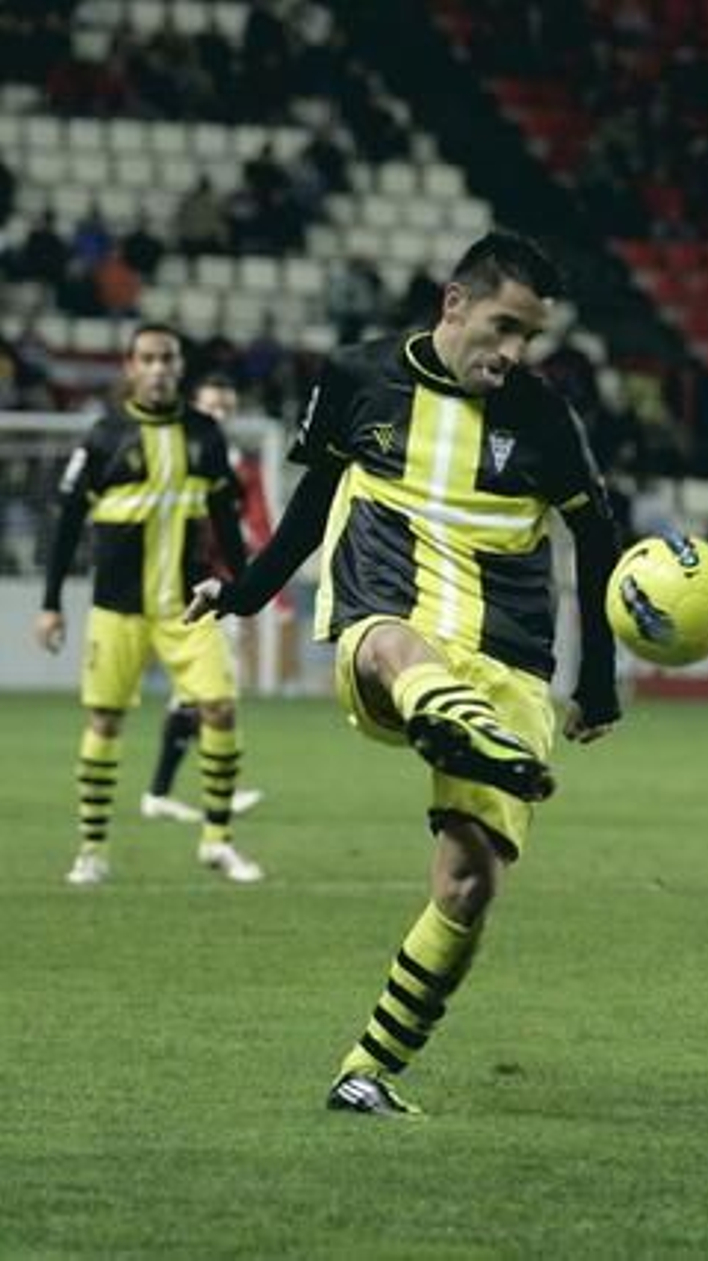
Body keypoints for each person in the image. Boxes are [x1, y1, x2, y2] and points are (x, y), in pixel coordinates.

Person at [185, 230, 622, 1117]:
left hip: (509, 659)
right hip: (391, 620)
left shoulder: (544, 417)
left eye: (530, 337)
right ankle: (451, 716)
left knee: (469, 883)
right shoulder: (357, 377)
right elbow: (312, 507)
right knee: (388, 642)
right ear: (454, 303)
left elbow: (597, 538)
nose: (514, 352)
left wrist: (599, 682)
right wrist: (244, 592)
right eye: (503, 327)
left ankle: (368, 1069)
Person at [35, 323, 264, 886]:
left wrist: (244, 589)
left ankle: (217, 841)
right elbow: (66, 524)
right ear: (130, 367)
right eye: (148, 358)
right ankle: (91, 850)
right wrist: (51, 603)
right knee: (105, 720)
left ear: (179, 367)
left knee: (221, 708)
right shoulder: (104, 436)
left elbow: (226, 518)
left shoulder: (205, 434)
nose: (159, 368)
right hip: (117, 609)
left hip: (189, 606)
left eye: (168, 358)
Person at [142, 373, 268, 825]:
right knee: (210, 693)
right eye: (211, 406)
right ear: (193, 407)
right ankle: (205, 793)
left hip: (223, 591)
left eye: (226, 408)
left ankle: (164, 793)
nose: (219, 415)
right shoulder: (176, 456)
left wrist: (254, 581)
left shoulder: (239, 466)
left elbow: (258, 526)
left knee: (196, 696)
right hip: (186, 590)